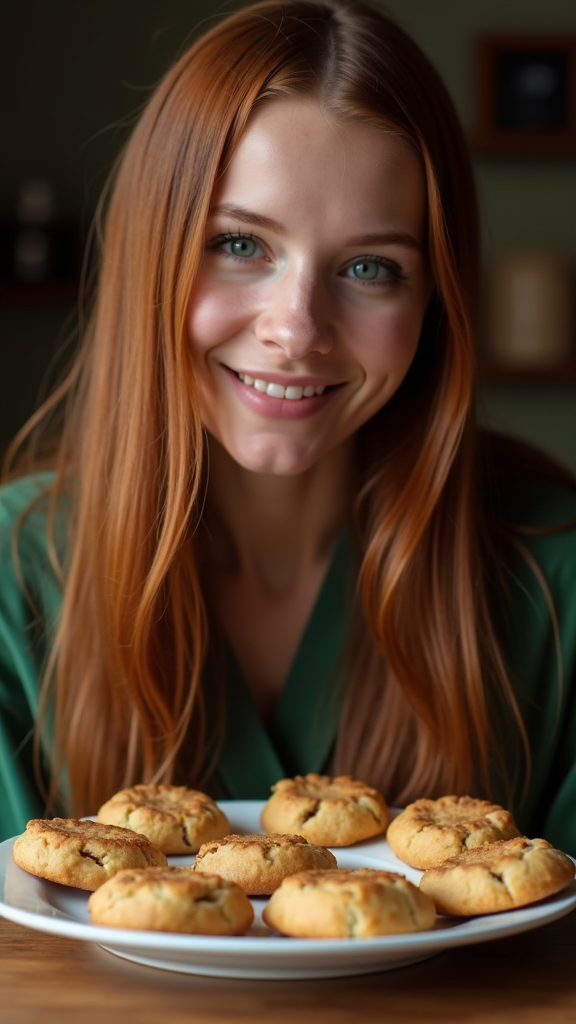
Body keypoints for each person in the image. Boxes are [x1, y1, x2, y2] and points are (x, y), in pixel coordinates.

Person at [1, 0, 575, 851]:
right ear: (149, 251)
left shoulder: (553, 575)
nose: (297, 326)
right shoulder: (14, 576)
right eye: (240, 245)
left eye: (372, 267)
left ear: (436, 303)